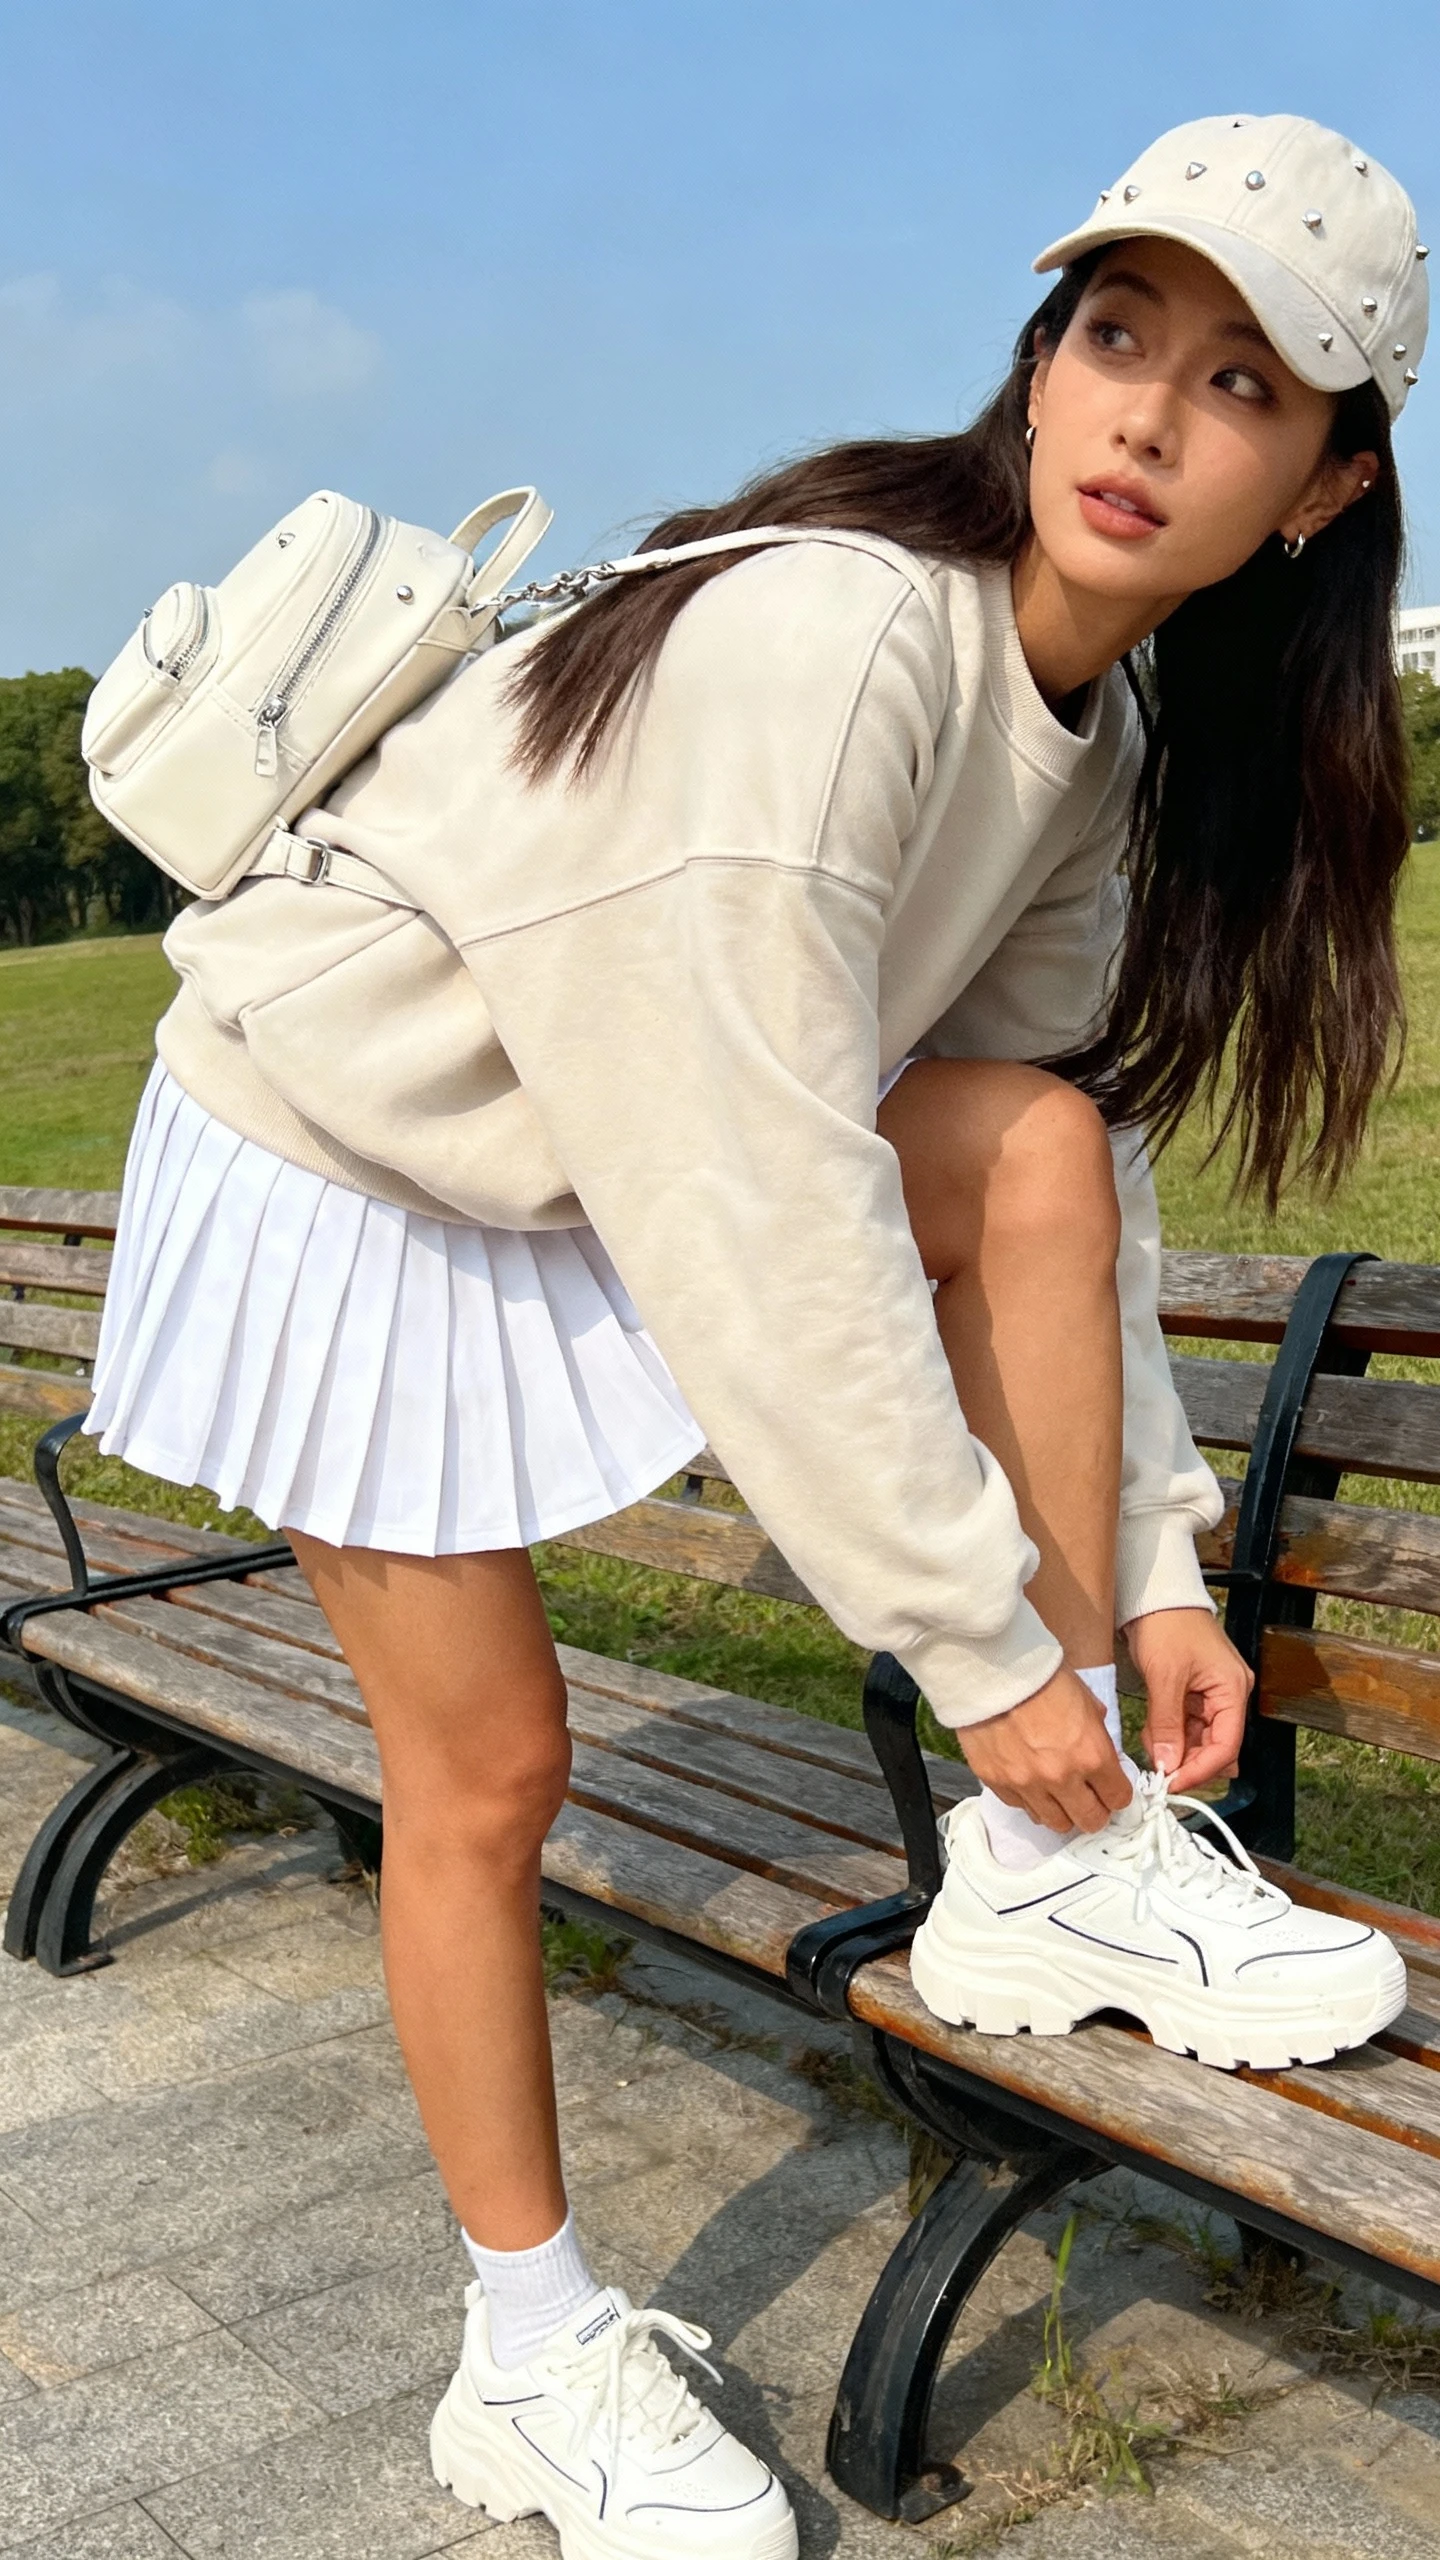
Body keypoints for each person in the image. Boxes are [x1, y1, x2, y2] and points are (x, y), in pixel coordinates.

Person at [87, 110, 1423, 2560]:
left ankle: (1050, 1874)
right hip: (336, 1141)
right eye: (1116, 334)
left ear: (1328, 489)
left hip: (562, 1128)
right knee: (490, 1771)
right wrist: (970, 1649)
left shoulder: (1097, 736)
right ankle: (525, 2353)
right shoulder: (839, 642)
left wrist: (1138, 1584)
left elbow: (1053, 1157)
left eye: (1241, 382)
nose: (1143, 415)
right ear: (1038, 360)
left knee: (1023, 1137)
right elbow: (760, 1190)